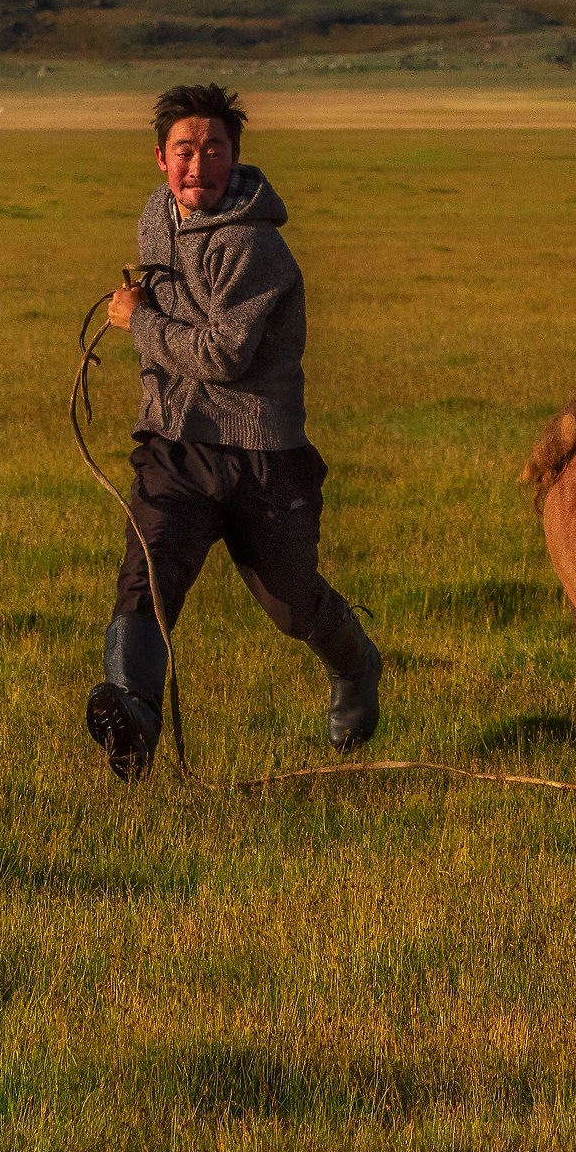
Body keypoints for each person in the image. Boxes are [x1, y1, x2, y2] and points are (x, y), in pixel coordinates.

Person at [84, 84, 383, 779]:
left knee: (290, 601)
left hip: (262, 454)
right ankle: (134, 720)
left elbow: (223, 355)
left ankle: (356, 663)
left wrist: (140, 322)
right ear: (160, 157)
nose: (199, 164)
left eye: (213, 149)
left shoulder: (254, 245)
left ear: (235, 158)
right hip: (175, 442)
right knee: (149, 575)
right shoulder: (155, 216)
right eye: (184, 150)